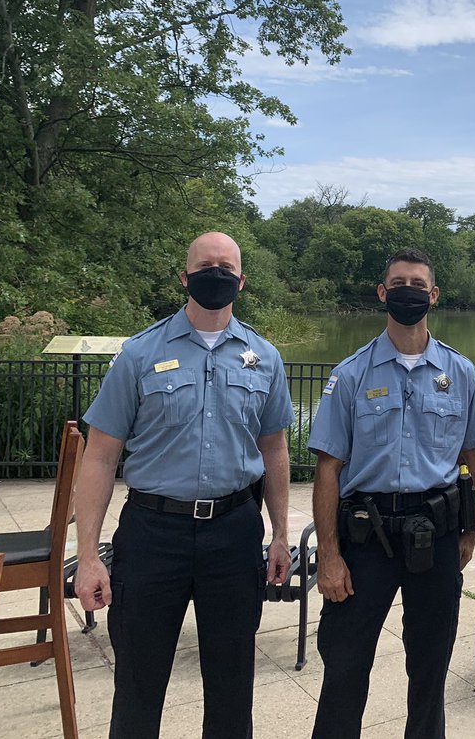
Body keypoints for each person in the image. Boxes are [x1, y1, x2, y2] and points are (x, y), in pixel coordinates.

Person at [74, 231, 294, 739]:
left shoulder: (265, 358)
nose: (215, 273)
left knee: (233, 684)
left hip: (235, 533)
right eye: (205, 265)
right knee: (137, 683)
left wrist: (280, 532)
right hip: (153, 534)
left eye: (225, 266)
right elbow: (101, 456)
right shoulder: (138, 354)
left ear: (241, 280)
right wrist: (88, 554)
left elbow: (275, 449)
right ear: (185, 276)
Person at [308, 248, 475, 739]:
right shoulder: (351, 374)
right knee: (344, 667)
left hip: (436, 533)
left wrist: (472, 527)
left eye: (418, 283)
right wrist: (328, 554)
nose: (408, 290)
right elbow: (328, 468)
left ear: (432, 295)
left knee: (430, 669)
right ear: (383, 293)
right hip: (366, 540)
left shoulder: (462, 372)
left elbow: (471, 458)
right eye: (398, 282)